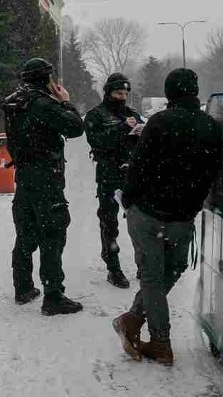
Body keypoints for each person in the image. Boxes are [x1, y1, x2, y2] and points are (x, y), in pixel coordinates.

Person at [113, 68, 223, 365]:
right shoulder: (212, 126)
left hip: (149, 214)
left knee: (152, 279)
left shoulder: (159, 123)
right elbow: (213, 171)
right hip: (182, 218)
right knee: (168, 274)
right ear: (195, 91)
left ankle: (159, 341)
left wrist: (130, 200)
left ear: (170, 92)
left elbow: (138, 166)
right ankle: (134, 320)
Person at [3, 58, 85, 316]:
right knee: (52, 233)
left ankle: (23, 287)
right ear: (46, 79)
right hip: (46, 178)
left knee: (26, 232)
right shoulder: (43, 103)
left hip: (24, 175)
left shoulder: (14, 101)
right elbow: (75, 127)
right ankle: (53, 296)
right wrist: (66, 102)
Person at [83, 73, 142, 289]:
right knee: (109, 222)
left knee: (138, 222)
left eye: (126, 93)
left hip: (132, 174)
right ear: (108, 93)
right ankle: (113, 266)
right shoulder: (96, 115)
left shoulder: (133, 114)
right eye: (119, 93)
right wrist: (121, 129)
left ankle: (142, 264)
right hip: (109, 175)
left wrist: (142, 131)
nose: (123, 97)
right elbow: (97, 142)